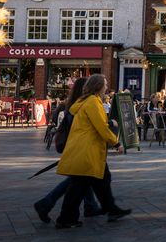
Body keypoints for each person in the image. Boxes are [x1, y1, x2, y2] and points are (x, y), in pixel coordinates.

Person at [53, 74, 131, 228]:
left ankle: (111, 209)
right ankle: (65, 219)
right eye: (105, 84)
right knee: (78, 188)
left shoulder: (85, 101)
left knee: (101, 180)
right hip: (87, 151)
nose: (107, 87)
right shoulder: (93, 103)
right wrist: (116, 143)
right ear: (99, 86)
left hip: (87, 150)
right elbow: (101, 127)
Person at [34, 78, 101, 224]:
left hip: (75, 148)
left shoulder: (72, 106)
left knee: (82, 178)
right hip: (79, 149)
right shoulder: (81, 107)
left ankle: (90, 205)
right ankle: (46, 204)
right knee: (78, 179)